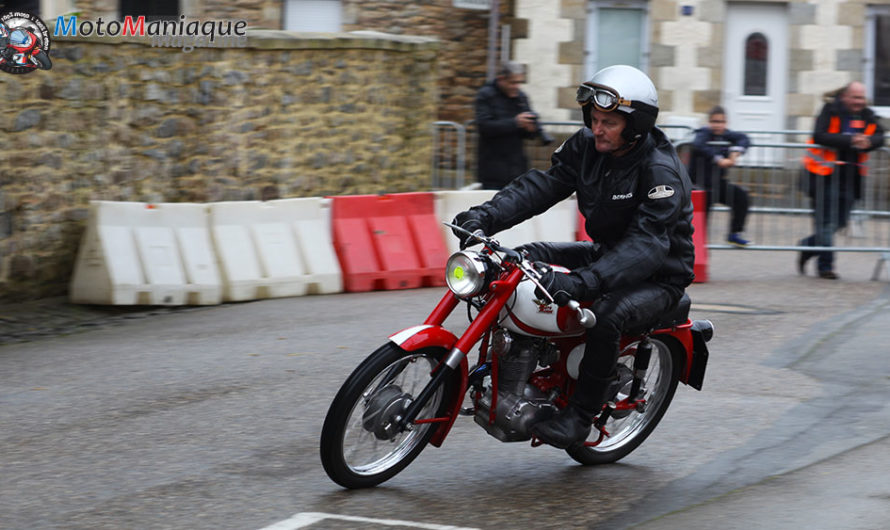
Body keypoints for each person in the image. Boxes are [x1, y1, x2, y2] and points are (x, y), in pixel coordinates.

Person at [452, 65, 695, 449]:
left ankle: (580, 417)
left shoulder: (660, 171)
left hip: (658, 274)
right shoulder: (588, 146)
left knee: (607, 315)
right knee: (521, 259)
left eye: (609, 122)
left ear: (635, 125)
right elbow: (544, 186)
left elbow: (647, 246)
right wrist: (485, 216)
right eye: (594, 119)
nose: (597, 129)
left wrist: (583, 282)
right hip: (606, 254)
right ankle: (508, 363)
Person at [799, 82, 886, 279]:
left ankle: (807, 246)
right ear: (845, 96)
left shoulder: (867, 114)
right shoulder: (830, 110)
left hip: (850, 177)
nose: (859, 102)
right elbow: (819, 135)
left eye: (862, 98)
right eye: (855, 98)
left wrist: (869, 142)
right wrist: (851, 141)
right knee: (825, 223)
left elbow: (880, 135)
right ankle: (826, 267)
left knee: (838, 222)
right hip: (823, 175)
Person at [474, 61, 552, 190]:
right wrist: (515, 122)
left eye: (520, 82)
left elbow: (526, 133)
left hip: (517, 167)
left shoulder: (521, 97)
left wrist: (531, 130)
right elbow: (484, 127)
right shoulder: (486, 95)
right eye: (513, 82)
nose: (516, 86)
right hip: (492, 169)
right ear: (501, 79)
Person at [688, 106, 752, 247]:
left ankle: (734, 234)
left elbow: (744, 139)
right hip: (700, 185)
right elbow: (699, 145)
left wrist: (735, 153)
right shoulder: (703, 133)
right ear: (709, 122)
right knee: (701, 220)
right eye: (714, 122)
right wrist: (719, 159)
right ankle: (695, 246)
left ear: (726, 122)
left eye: (721, 122)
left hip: (718, 184)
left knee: (741, 197)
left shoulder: (726, 134)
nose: (718, 125)